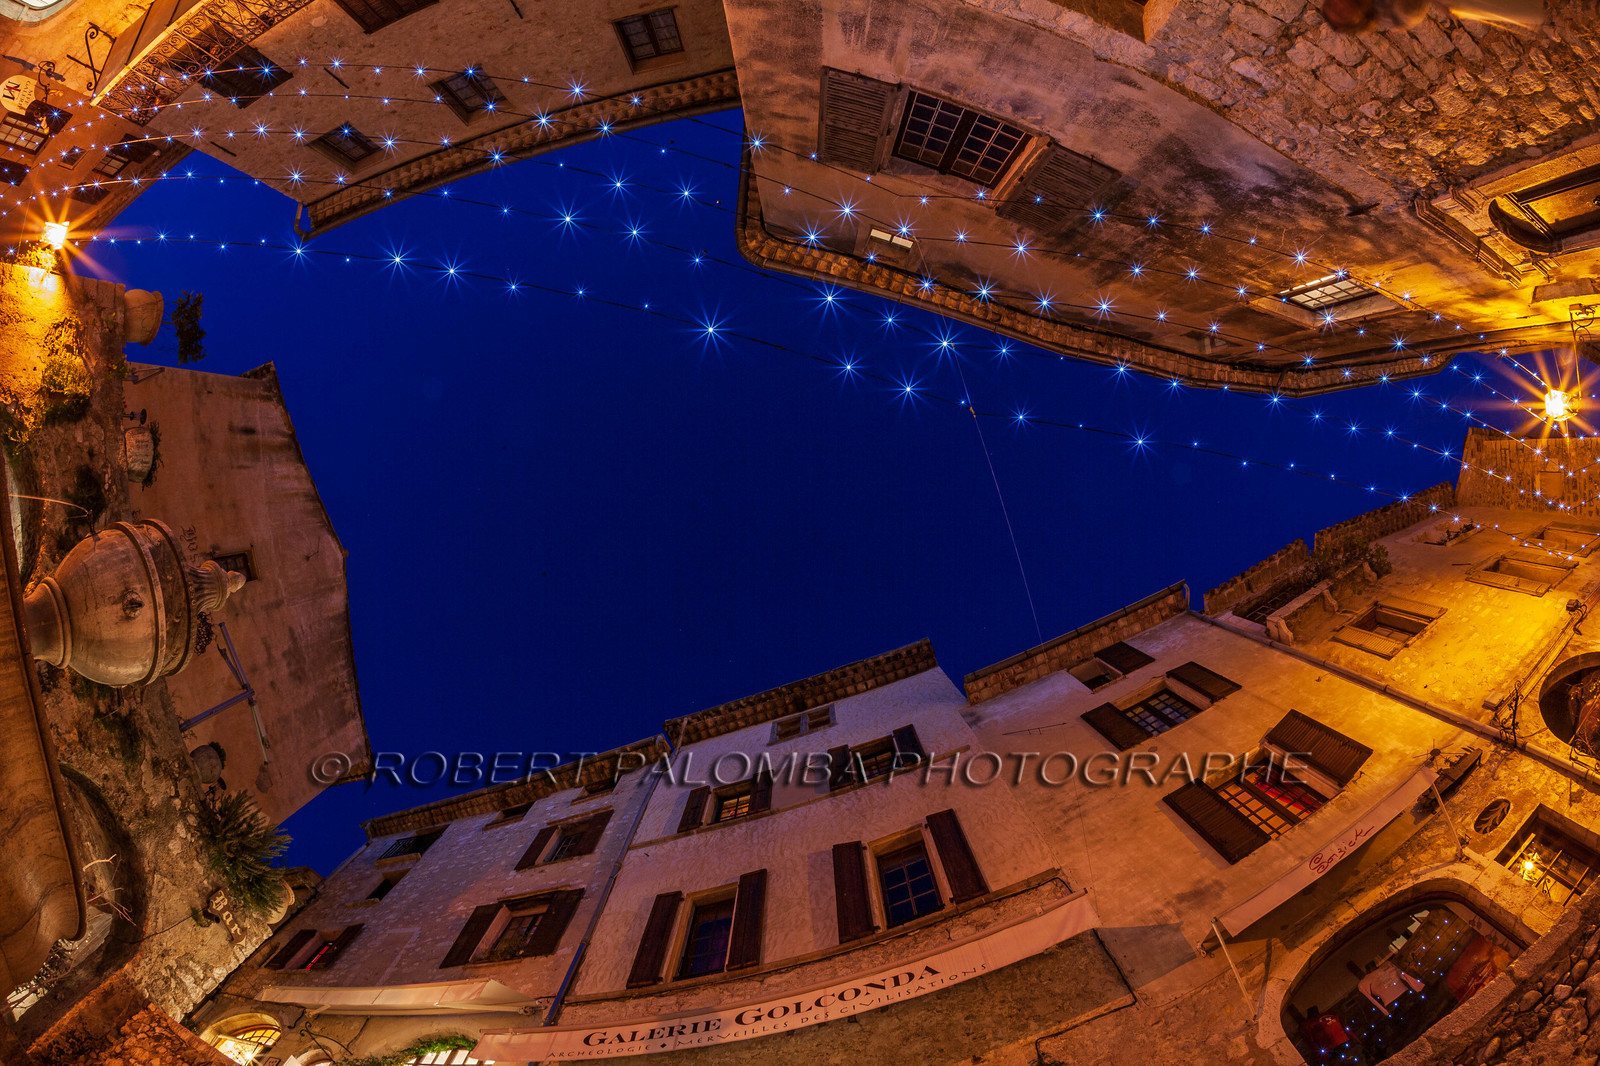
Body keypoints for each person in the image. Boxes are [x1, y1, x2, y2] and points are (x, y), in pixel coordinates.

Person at [1322, 0, 1545, 31]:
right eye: (1340, 12)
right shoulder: (1395, 16)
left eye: (1333, 3)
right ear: (1355, 21)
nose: (1340, 3)